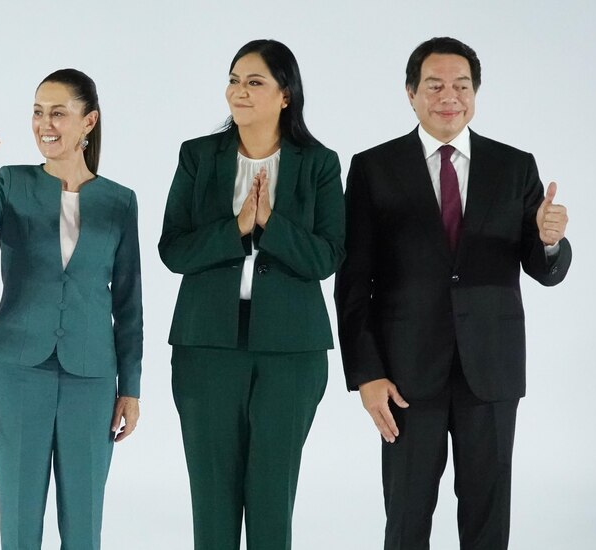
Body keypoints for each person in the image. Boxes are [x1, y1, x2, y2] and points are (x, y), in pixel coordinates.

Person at [336, 37, 572, 549]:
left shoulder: (515, 167)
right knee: (406, 518)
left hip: (490, 371)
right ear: (411, 93)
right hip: (404, 375)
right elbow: (354, 281)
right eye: (435, 85)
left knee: (488, 518)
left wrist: (551, 241)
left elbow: (542, 267)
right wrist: (367, 374)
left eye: (461, 86)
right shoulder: (374, 168)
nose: (450, 97)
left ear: (476, 92)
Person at [0, 68, 142, 550]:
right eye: (37, 112)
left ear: (88, 122)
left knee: (84, 521)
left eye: (58, 113)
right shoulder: (12, 183)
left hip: (91, 377)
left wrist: (130, 388)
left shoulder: (119, 201)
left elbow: (128, 304)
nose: (44, 124)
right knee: (20, 518)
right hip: (19, 371)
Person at [159, 39, 344, 549]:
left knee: (272, 497)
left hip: (292, 352)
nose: (239, 91)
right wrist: (238, 227)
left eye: (254, 81)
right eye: (235, 79)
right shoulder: (197, 156)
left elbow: (327, 258)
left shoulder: (320, 163)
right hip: (206, 348)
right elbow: (173, 251)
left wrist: (270, 223)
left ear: (286, 94)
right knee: (212, 499)